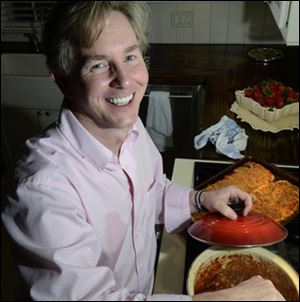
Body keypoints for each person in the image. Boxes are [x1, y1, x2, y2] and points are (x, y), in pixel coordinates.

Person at [1, 2, 285, 301]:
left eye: (130, 56)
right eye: (98, 64)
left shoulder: (130, 127)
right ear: (63, 81)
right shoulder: (43, 189)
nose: (124, 80)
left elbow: (148, 193)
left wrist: (199, 199)